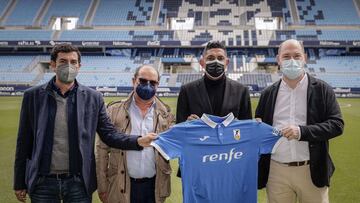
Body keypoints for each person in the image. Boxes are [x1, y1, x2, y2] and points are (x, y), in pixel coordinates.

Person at [13, 44, 157, 203]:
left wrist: (137, 141)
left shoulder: (93, 98)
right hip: (43, 183)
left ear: (79, 66)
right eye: (63, 61)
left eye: (73, 62)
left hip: (78, 183)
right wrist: (19, 182)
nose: (69, 66)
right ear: (53, 65)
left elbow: (109, 134)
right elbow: (23, 142)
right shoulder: (32, 96)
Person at [255, 39, 344, 203]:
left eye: (296, 55)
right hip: (276, 171)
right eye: (286, 56)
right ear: (278, 60)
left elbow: (337, 125)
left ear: (305, 57)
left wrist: (302, 131)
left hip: (311, 169)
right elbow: (260, 128)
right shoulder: (268, 93)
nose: (292, 60)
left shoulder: (322, 89)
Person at [95, 65, 174, 203]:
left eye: (152, 83)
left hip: (154, 187)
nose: (147, 85)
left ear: (158, 85)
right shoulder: (113, 111)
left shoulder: (166, 114)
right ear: (133, 81)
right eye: (142, 81)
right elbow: (101, 151)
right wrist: (102, 186)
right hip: (121, 185)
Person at [176, 40, 252, 177]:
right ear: (202, 62)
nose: (215, 62)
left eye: (220, 58)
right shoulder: (187, 90)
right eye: (210, 58)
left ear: (227, 62)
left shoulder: (241, 91)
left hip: (230, 162)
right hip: (197, 163)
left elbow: (247, 132)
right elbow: (179, 131)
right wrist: (187, 124)